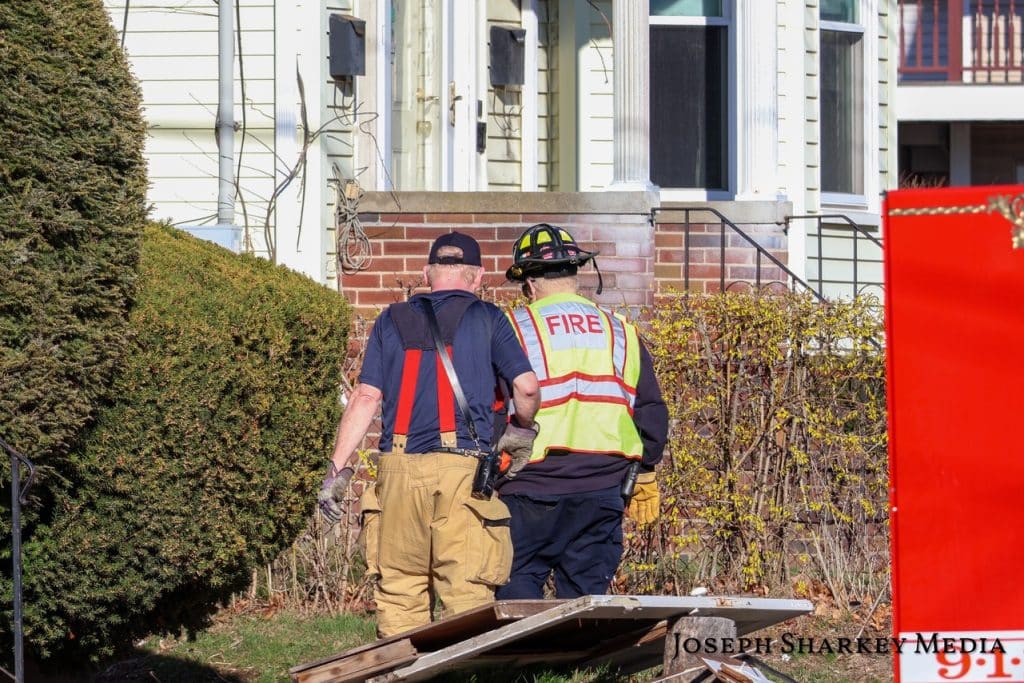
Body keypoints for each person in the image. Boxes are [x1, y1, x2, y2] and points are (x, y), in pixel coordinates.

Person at [317, 232, 541, 637]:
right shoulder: (490, 318)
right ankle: (464, 667)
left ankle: (403, 666)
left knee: (400, 595)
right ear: (477, 277)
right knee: (467, 596)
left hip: (398, 471)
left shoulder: (390, 320)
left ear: (426, 274)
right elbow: (526, 388)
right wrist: (521, 431)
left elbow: (365, 397)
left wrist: (335, 470)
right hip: (462, 475)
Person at [495, 223, 668, 600]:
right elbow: (651, 408)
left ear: (528, 284)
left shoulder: (512, 328)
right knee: (586, 603)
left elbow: (491, 405)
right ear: (575, 275)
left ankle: (523, 643)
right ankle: (582, 644)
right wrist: (647, 468)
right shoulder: (621, 331)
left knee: (516, 595)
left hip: (530, 484)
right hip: (603, 487)